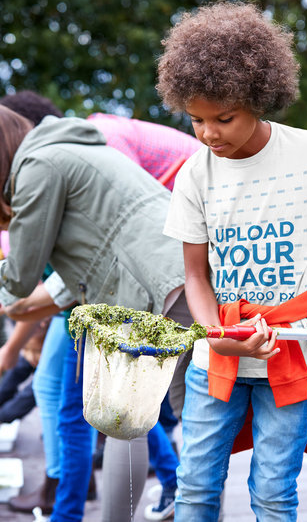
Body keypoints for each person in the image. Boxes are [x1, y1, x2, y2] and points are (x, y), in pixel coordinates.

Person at [158, 1, 307, 521]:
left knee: (273, 495)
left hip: (293, 353)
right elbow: (195, 276)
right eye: (197, 119)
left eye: (223, 118)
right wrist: (216, 335)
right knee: (196, 490)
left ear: (258, 96)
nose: (208, 133)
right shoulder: (193, 174)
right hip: (217, 357)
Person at [0, 90, 200, 520]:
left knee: (153, 422)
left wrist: (11, 304)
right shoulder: (69, 148)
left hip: (160, 285)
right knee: (150, 420)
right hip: (168, 276)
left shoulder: (38, 166)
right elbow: (89, 257)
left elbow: (18, 277)